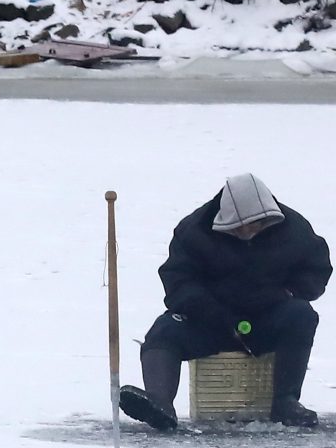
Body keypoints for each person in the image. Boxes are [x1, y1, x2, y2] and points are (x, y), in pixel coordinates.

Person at [120, 174, 331, 430]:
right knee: (164, 330)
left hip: (269, 318)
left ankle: (285, 401)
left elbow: (317, 269)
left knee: (302, 315)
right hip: (210, 320)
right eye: (240, 227)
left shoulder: (295, 229)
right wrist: (210, 313)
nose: (248, 231)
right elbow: (178, 282)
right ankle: (160, 402)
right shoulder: (193, 230)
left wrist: (288, 292)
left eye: (255, 225)